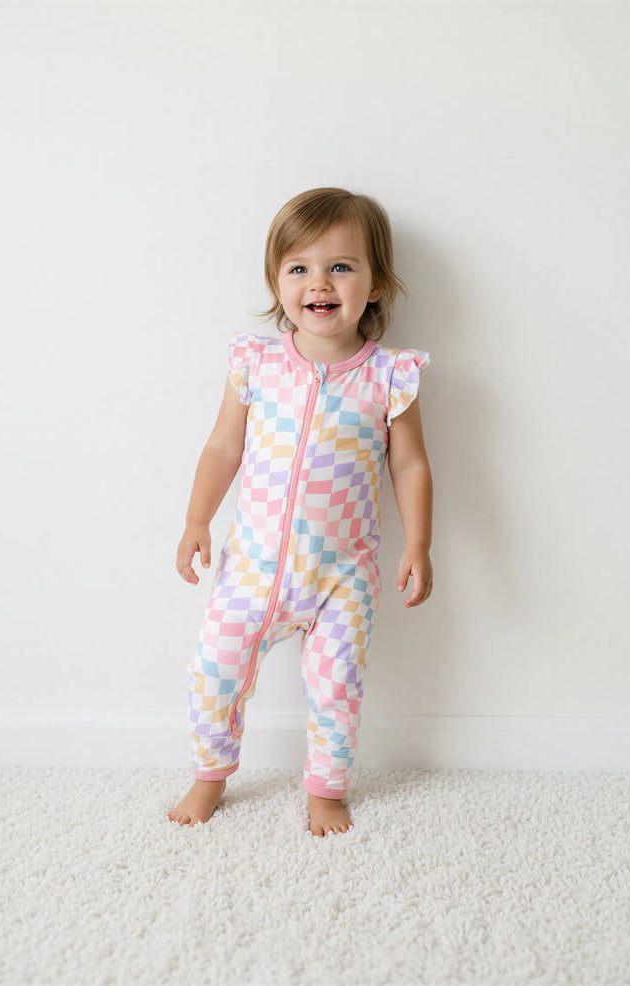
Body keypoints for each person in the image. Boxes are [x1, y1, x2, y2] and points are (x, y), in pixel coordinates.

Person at [169, 187, 433, 837]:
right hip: (253, 566)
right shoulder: (256, 363)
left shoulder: (389, 377)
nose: (320, 282)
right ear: (278, 282)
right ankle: (209, 774)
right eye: (300, 268)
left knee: (336, 686)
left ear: (375, 286)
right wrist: (197, 519)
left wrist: (419, 544)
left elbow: (410, 465)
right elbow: (223, 445)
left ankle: (326, 788)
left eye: (341, 266)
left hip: (342, 574)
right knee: (213, 670)